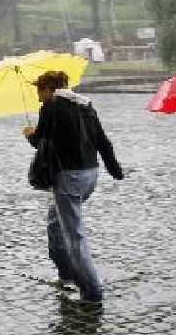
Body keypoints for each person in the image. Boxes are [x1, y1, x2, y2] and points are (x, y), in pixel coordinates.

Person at [23, 71, 123, 302]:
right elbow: (102, 141)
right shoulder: (85, 105)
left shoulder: (52, 104)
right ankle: (67, 274)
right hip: (91, 174)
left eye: (39, 89)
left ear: (49, 88)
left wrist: (29, 134)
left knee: (74, 236)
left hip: (69, 177)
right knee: (54, 224)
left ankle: (91, 292)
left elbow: (39, 141)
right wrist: (115, 170)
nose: (37, 94)